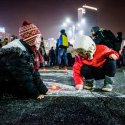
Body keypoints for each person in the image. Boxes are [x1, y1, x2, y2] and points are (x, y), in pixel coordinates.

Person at [0, 20, 48, 99]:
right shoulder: (17, 53)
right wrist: (35, 94)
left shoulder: (27, 50)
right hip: (5, 89)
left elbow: (34, 73)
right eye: (38, 37)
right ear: (30, 38)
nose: (40, 40)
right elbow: (23, 77)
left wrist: (44, 90)